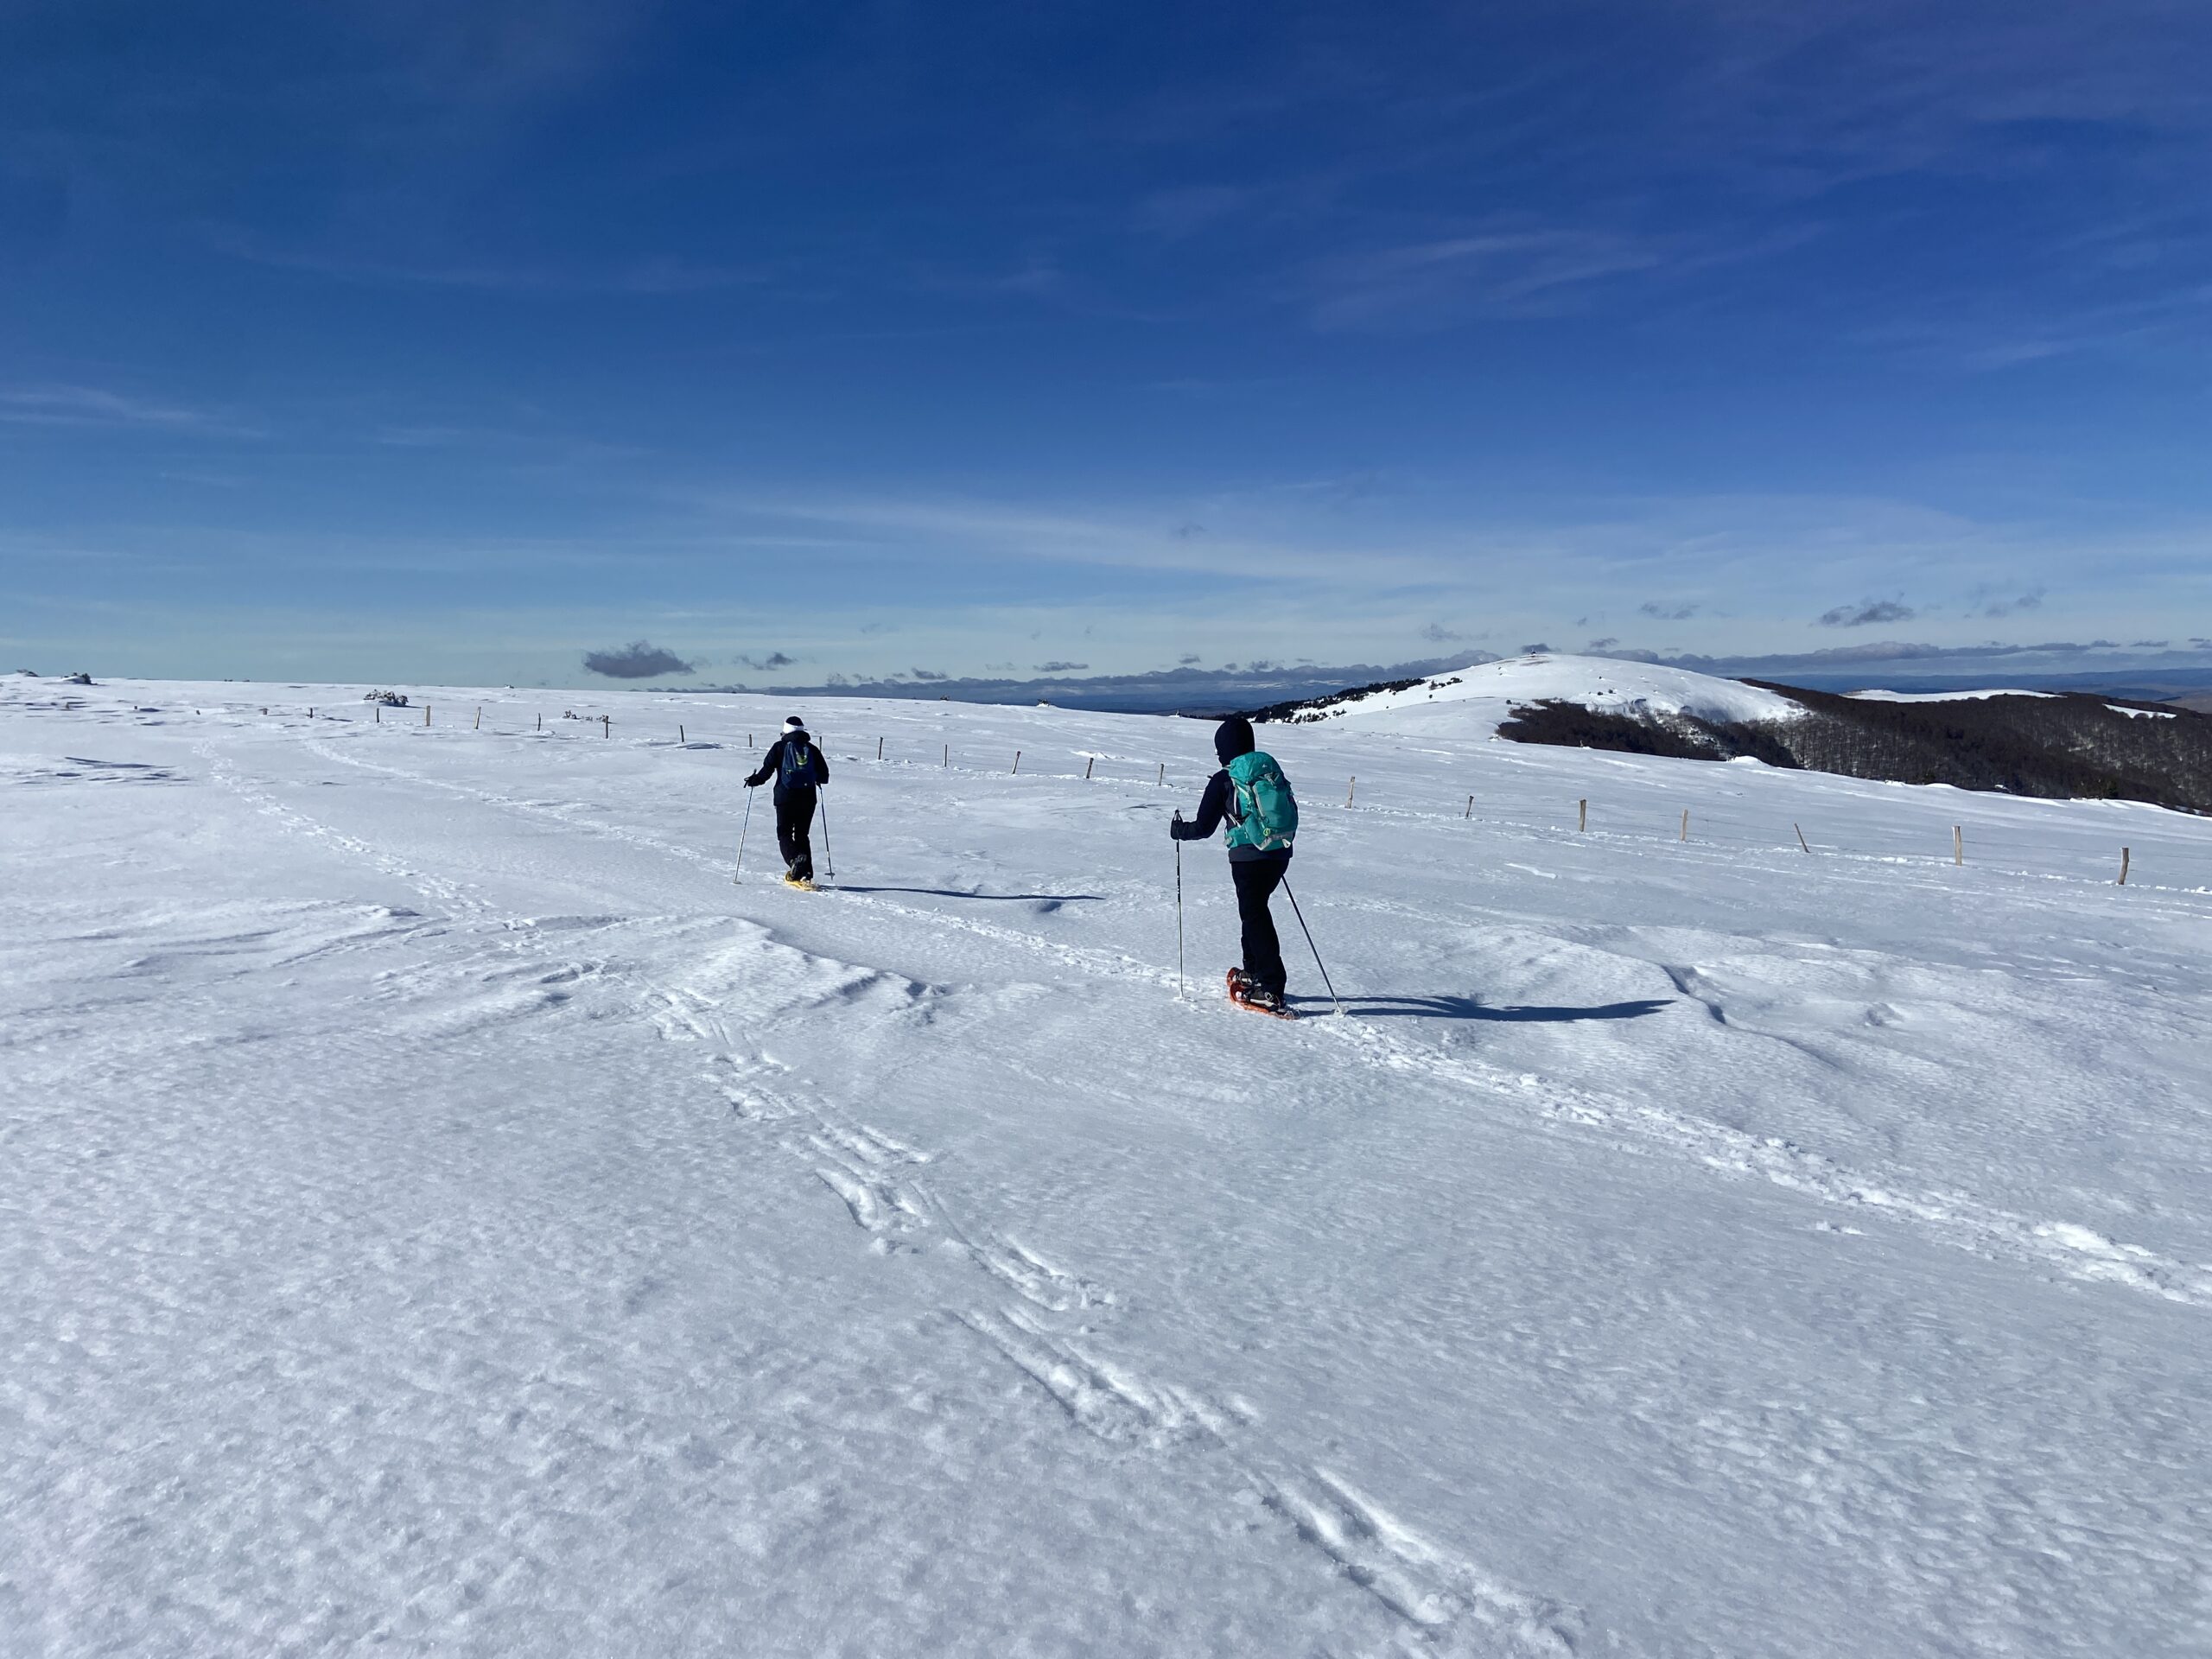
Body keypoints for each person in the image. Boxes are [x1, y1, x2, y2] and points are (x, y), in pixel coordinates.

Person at [1170, 715, 1299, 1014]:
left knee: (1254, 915)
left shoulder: (1225, 780)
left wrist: (1178, 831)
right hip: (1280, 852)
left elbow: (1203, 827)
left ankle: (1271, 987)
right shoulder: (1266, 773)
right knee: (1254, 910)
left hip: (1247, 857)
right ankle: (1253, 970)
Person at [747, 715, 830, 887]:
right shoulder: (812, 749)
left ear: (785, 731)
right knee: (802, 835)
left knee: (784, 833)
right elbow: (824, 776)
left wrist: (754, 780)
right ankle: (806, 873)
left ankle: (794, 860)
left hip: (785, 797)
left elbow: (766, 771)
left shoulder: (779, 747)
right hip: (808, 798)